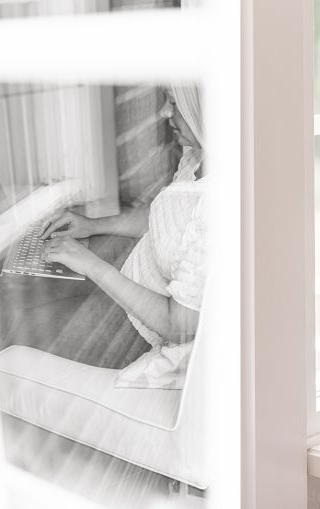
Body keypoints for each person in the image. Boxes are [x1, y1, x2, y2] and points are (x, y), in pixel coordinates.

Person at [37, 86, 207, 388]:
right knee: (35, 288)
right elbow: (165, 218)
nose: (164, 112)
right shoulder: (198, 156)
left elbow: (176, 326)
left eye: (173, 102)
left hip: (145, 328)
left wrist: (91, 265)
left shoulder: (218, 206)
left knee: (29, 327)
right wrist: (92, 225)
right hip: (134, 276)